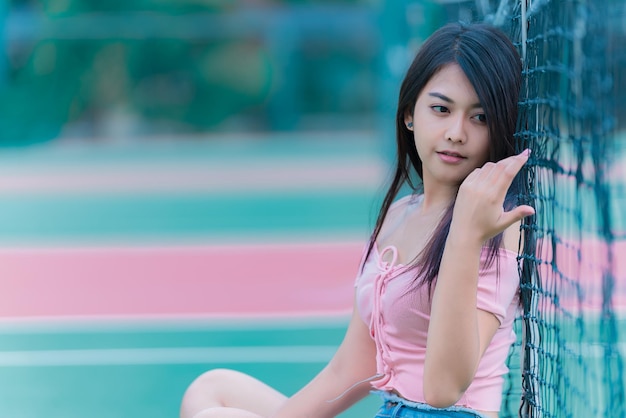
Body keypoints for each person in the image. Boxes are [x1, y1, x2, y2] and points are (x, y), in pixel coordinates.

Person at [179, 21, 534, 418]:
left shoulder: (498, 227)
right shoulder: (399, 214)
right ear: (409, 115)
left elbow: (443, 390)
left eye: (480, 118)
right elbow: (351, 368)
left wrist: (466, 234)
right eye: (441, 109)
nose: (456, 132)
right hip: (392, 410)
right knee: (211, 391)